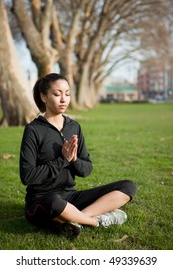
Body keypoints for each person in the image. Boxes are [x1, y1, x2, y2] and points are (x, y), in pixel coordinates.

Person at [19, 73, 137, 238]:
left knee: (128, 187)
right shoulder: (33, 130)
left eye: (67, 93)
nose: (64, 99)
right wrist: (63, 160)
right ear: (43, 97)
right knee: (53, 201)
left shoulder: (74, 127)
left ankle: (75, 218)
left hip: (70, 196)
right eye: (57, 94)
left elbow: (86, 169)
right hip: (42, 199)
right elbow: (28, 176)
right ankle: (96, 221)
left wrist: (74, 160)